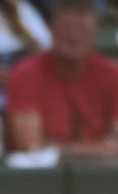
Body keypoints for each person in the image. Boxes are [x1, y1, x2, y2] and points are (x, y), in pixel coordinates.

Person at [6, 0, 118, 159]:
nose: (74, 37)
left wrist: (58, 149)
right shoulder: (25, 73)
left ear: (94, 33)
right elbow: (30, 145)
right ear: (51, 30)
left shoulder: (111, 73)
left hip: (100, 176)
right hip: (39, 178)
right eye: (66, 29)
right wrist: (98, 150)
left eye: (82, 30)